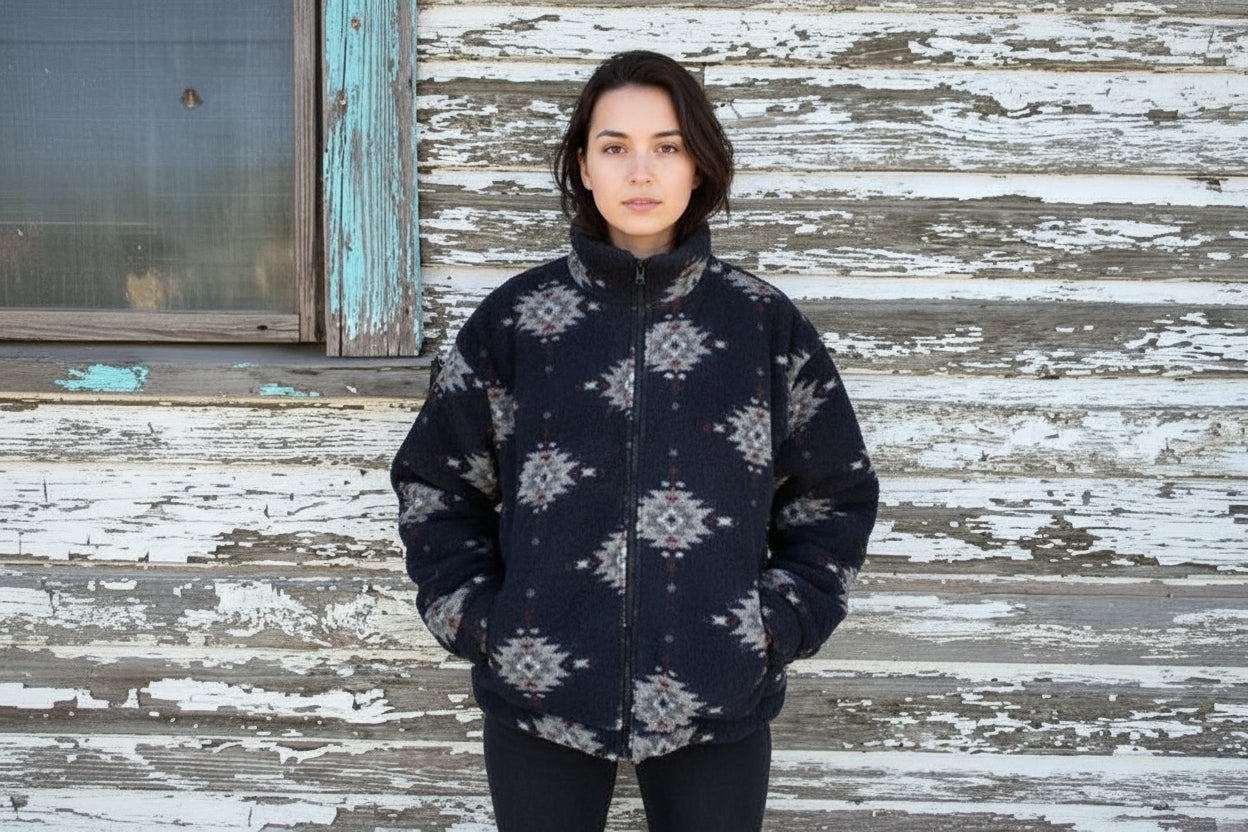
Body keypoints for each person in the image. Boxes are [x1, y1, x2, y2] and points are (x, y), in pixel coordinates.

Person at [391, 50, 879, 832]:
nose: (640, 171)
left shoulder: (761, 325)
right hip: (537, 693)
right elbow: (436, 486)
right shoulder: (517, 323)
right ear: (583, 166)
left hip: (719, 692)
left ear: (700, 165)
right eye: (614, 146)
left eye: (668, 145)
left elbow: (835, 493)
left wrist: (772, 628)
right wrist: (486, 623)